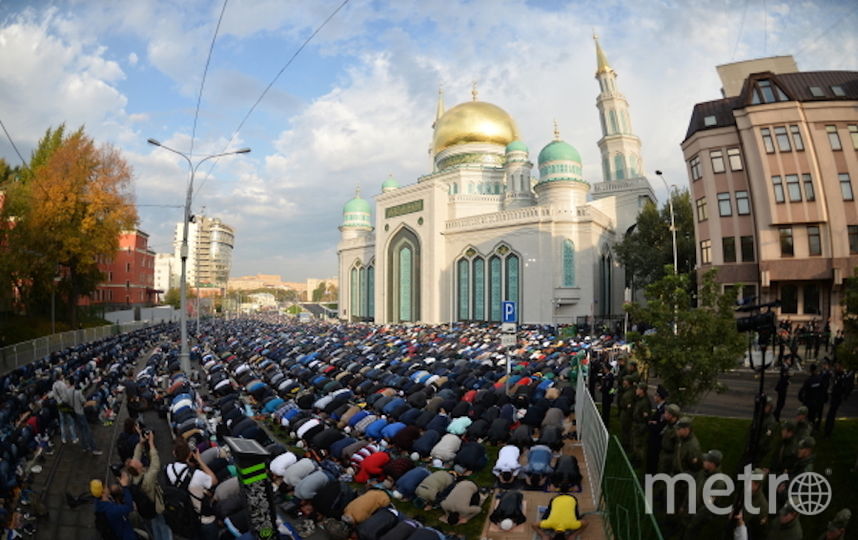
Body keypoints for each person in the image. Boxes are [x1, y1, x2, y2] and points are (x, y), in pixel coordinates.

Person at [165, 439, 218, 540]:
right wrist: (200, 460)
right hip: (203, 519)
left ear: (174, 453)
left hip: (184, 517)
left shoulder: (167, 469)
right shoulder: (197, 475)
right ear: (190, 455)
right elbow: (214, 480)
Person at [126, 430, 171, 540]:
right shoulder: (147, 479)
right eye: (137, 462)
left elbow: (136, 455)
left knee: (153, 526)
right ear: (138, 468)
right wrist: (151, 443)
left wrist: (141, 443)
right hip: (155, 506)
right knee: (162, 525)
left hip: (144, 509)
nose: (138, 460)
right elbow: (155, 464)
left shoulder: (132, 475)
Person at [94, 471, 136, 540]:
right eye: (106, 486)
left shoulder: (99, 501)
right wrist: (125, 486)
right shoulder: (112, 510)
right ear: (103, 492)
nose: (108, 487)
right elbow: (129, 507)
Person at [71, 381, 102, 455]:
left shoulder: (69, 393)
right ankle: (94, 449)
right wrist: (92, 402)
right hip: (80, 414)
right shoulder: (78, 393)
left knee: (81, 432)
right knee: (87, 432)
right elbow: (84, 403)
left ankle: (84, 447)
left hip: (74, 415)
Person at [646, 386, 668, 475]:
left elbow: (660, 426)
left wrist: (652, 424)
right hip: (653, 438)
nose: (654, 397)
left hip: (657, 440)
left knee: (653, 460)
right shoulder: (660, 408)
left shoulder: (663, 410)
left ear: (659, 397)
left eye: (655, 395)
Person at [824, 361, 850, 437]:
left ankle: (828, 430)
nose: (836, 367)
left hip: (836, 397)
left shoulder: (842, 376)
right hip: (835, 397)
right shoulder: (838, 375)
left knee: (831, 414)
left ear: (841, 367)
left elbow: (842, 387)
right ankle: (828, 429)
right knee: (831, 413)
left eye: (838, 366)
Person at [50, 372, 77, 444]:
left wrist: (59, 401)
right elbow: (66, 394)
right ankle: (74, 438)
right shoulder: (63, 384)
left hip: (59, 405)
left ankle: (63, 438)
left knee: (62, 422)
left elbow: (55, 396)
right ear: (60, 376)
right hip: (65, 404)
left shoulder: (54, 385)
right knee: (70, 421)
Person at [798, 364, 825, 431]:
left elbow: (802, 391)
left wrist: (801, 399)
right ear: (816, 370)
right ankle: (815, 428)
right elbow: (823, 391)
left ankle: (807, 430)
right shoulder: (820, 379)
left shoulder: (808, 380)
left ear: (810, 371)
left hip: (809, 402)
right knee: (815, 417)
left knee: (808, 418)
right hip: (817, 402)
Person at [631, 382, 652, 466]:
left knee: (639, 443)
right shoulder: (639, 399)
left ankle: (639, 460)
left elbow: (646, 416)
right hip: (636, 423)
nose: (636, 390)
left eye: (638, 389)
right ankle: (635, 457)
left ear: (642, 390)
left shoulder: (645, 402)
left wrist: (642, 426)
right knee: (635, 442)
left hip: (640, 425)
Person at [597, 363, 614, 429]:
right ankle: (604, 422)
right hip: (607, 395)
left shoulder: (609, 377)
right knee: (605, 409)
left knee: (606, 410)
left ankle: (605, 424)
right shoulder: (608, 375)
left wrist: (601, 388)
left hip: (607, 396)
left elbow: (607, 387)